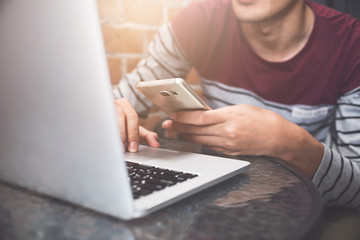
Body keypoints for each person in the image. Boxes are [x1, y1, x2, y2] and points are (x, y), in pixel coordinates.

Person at [113, 0, 360, 211]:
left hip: (305, 207)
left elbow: (356, 190)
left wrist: (290, 144)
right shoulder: (199, 21)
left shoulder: (351, 43)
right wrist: (109, 112)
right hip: (217, 199)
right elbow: (125, 95)